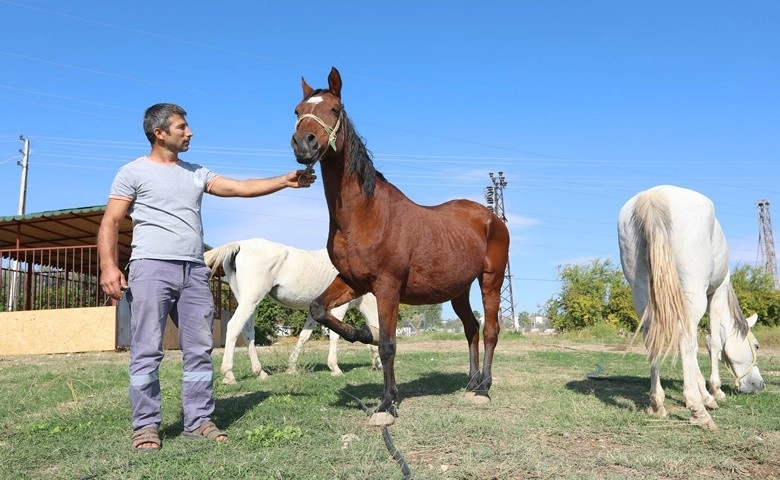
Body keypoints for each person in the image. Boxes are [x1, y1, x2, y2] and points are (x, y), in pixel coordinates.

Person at [98, 103, 315, 451]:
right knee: (146, 349)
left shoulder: (196, 173)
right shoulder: (132, 173)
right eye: (182, 127)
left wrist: (283, 181)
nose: (190, 132)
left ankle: (198, 420)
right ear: (160, 133)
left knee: (200, 349)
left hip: (193, 270)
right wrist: (109, 267)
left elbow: (241, 188)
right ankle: (145, 426)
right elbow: (110, 222)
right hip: (151, 267)